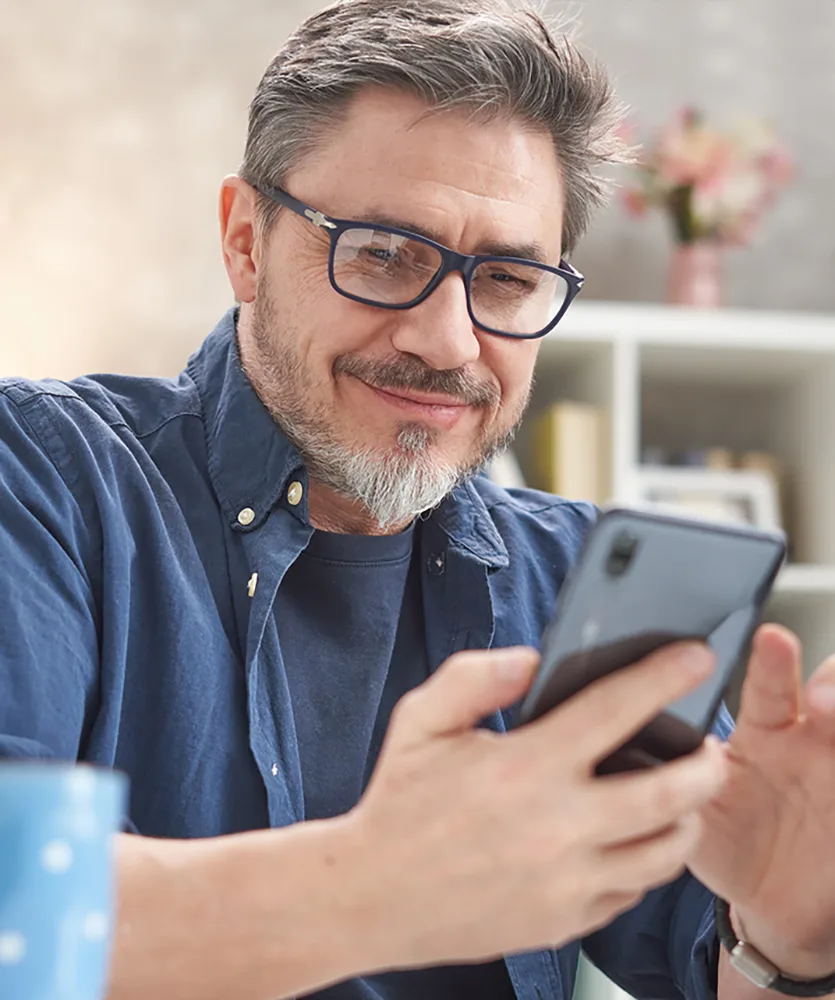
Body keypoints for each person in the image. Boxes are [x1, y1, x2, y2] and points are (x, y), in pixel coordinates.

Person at [2, 1, 835, 998]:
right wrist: (373, 889)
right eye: (383, 254)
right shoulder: (45, 479)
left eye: (508, 278)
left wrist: (787, 936)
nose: (447, 341)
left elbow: (721, 964)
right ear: (245, 241)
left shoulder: (573, 577)